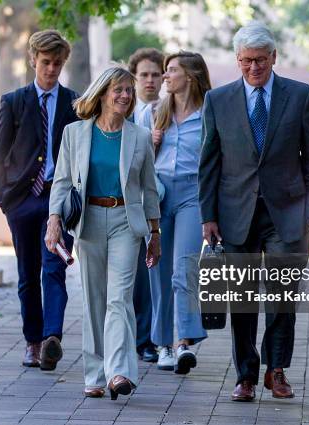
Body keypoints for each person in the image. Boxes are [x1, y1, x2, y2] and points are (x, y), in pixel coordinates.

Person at [198, 21, 309, 401]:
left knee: (283, 298)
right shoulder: (217, 101)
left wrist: (306, 208)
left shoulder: (300, 95)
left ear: (274, 58)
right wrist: (208, 216)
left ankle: (278, 369)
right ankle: (246, 376)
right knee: (242, 299)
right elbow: (209, 163)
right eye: (247, 61)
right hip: (235, 214)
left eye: (261, 61)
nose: (254, 68)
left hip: (287, 215)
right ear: (238, 60)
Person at [45, 66, 161, 400]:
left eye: (129, 90)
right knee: (95, 299)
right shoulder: (75, 134)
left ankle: (119, 371)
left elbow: (150, 190)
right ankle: (94, 374)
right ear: (102, 94)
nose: (125, 96)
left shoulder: (138, 136)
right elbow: (63, 182)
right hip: (89, 221)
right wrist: (54, 221)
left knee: (119, 297)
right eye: (119, 90)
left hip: (127, 219)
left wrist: (155, 233)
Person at [0, 30, 79, 371]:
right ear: (33, 61)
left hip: (59, 201)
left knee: (54, 268)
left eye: (57, 63)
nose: (51, 69)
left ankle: (51, 338)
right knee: (28, 274)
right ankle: (32, 341)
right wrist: (2, 199)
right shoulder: (14, 102)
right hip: (23, 202)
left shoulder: (73, 103)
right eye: (45, 63)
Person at [142, 51, 210, 374]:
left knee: (184, 268)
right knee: (158, 270)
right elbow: (138, 160)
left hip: (192, 196)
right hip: (159, 195)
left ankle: (184, 341)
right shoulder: (156, 111)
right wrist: (150, 142)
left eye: (171, 71)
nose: (164, 77)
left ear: (190, 77)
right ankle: (162, 344)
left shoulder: (210, 113)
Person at [128, 47, 165, 363]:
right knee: (137, 275)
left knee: (158, 270)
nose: (150, 80)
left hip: (162, 201)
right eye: (144, 75)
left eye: (156, 75)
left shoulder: (171, 111)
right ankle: (138, 337)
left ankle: (153, 339)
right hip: (128, 202)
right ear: (134, 78)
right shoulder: (124, 112)